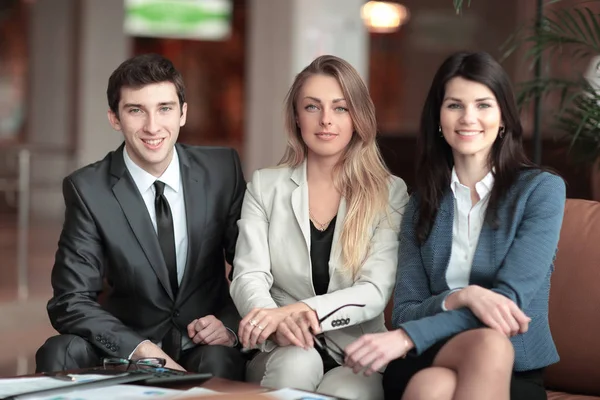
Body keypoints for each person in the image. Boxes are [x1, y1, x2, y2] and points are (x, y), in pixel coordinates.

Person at [344, 51, 566, 400]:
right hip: (430, 351)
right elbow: (405, 311)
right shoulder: (420, 205)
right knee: (434, 377)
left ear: (504, 117)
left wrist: (406, 337)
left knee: (441, 382)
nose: (468, 118)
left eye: (483, 105)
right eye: (454, 105)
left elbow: (509, 307)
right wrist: (465, 296)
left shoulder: (540, 192)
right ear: (438, 117)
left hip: (511, 366)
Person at [35, 53, 246, 380]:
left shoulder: (222, 171)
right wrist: (139, 348)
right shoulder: (88, 189)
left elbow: (253, 265)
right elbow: (70, 300)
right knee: (59, 350)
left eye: (165, 109)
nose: (152, 126)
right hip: (128, 343)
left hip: (203, 342)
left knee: (219, 361)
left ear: (183, 113)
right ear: (114, 118)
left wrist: (230, 326)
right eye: (136, 110)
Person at [229, 55, 409, 400]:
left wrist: (300, 313)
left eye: (340, 108)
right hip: (280, 348)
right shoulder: (266, 186)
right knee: (297, 364)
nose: (326, 120)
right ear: (296, 117)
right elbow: (247, 275)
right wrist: (276, 325)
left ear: (358, 116)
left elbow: (373, 291)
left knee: (346, 391)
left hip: (357, 351)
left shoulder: (390, 192)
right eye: (312, 107)